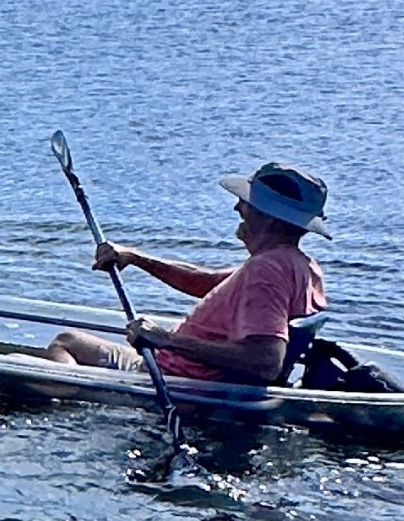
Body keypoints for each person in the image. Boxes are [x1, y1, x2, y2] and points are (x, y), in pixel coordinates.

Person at [44, 163, 328, 383]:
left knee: (56, 348)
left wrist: (167, 340)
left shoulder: (266, 270)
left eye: (247, 202)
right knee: (67, 343)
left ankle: (75, 398)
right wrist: (136, 258)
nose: (237, 207)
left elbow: (265, 361)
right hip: (176, 369)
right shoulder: (296, 265)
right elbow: (207, 283)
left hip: (170, 380)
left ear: (268, 215)